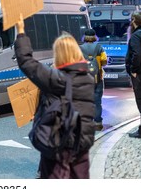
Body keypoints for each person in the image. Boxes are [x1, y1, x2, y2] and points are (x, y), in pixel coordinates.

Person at [14, 15, 95, 179]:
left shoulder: (58, 79)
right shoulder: (88, 78)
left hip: (60, 144)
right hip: (82, 144)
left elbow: (26, 62)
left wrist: (21, 32)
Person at [80, 29, 107, 131]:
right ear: (95, 36)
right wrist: (99, 64)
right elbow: (104, 60)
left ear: (85, 37)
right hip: (98, 78)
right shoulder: (99, 47)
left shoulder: (80, 48)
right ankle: (98, 123)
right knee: (97, 101)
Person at [125, 11, 141, 139]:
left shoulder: (136, 36)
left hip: (140, 74)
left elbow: (136, 54)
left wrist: (133, 69)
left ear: (133, 21)